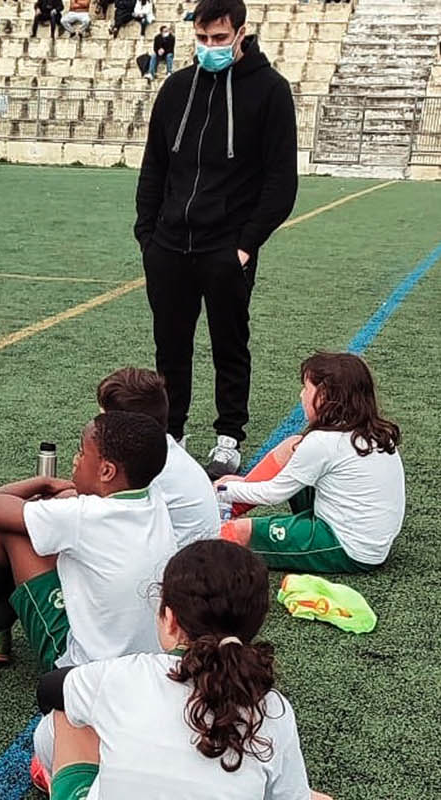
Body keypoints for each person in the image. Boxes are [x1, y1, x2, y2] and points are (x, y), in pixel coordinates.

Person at [135, 0, 298, 479]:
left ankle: (229, 437)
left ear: (242, 32)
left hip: (226, 249)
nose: (210, 48)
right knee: (170, 345)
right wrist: (147, 234)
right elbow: (154, 168)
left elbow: (280, 184)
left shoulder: (270, 92)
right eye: (202, 39)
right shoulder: (176, 88)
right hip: (168, 246)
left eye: (219, 39)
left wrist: (244, 246)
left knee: (230, 343)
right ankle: (173, 434)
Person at [38, 540, 331, 800]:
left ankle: (54, 778)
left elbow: (49, 689)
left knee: (69, 711)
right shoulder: (273, 708)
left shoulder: (122, 675)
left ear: (169, 619)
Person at [0, 411, 177, 672]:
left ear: (106, 470)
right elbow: (71, 499)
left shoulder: (85, 517)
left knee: (8, 530)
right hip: (146, 659)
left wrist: (44, 482)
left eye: (81, 453)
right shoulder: (153, 497)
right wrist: (56, 496)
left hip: (82, 667)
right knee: (31, 521)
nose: (75, 461)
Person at [216, 352, 404, 573]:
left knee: (237, 532)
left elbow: (273, 494)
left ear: (323, 396)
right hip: (365, 534)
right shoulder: (373, 430)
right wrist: (240, 486)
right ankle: (230, 507)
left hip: (347, 547)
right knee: (293, 446)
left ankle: (205, 523)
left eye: (306, 388)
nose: (301, 395)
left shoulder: (324, 442)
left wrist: (223, 489)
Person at [97, 367, 220, 546]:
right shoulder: (162, 449)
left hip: (174, 568)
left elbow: (102, 520)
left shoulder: (145, 466)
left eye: (102, 418)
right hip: (191, 558)